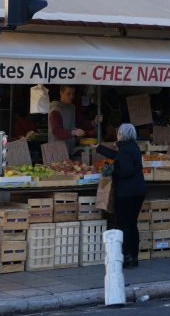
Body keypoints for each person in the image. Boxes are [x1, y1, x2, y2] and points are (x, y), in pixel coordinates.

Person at [95, 123, 147, 268]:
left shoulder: (124, 150)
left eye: (118, 133)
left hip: (126, 193)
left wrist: (109, 169)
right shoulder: (132, 147)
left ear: (122, 135)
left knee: (124, 224)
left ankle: (126, 256)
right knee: (132, 223)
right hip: (138, 191)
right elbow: (120, 158)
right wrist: (100, 148)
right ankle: (134, 256)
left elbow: (125, 170)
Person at [48, 85, 97, 156]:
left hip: (69, 148)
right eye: (68, 93)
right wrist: (73, 132)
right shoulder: (55, 110)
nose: (71, 96)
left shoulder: (72, 108)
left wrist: (94, 122)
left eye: (73, 94)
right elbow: (57, 131)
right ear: (61, 93)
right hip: (55, 150)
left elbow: (80, 123)